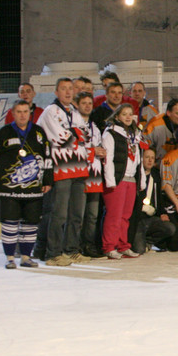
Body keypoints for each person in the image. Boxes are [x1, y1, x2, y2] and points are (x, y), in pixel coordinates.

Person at [0, 99, 53, 269]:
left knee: (30, 224)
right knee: (9, 223)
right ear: (13, 113)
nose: (23, 115)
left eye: (25, 111)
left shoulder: (39, 132)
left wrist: (48, 180)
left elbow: (47, 157)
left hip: (33, 188)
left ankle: (25, 257)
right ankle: (10, 258)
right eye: (19, 112)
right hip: (9, 188)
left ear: (30, 113)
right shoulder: (3, 133)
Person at [36, 77, 90, 266]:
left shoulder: (74, 112)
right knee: (58, 214)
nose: (68, 92)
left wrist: (74, 134)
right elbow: (61, 138)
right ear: (56, 92)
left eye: (70, 88)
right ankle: (53, 253)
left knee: (76, 215)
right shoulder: (50, 111)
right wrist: (75, 134)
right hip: (61, 169)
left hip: (79, 168)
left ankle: (71, 250)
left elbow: (86, 135)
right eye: (63, 89)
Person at [100, 103, 144, 259]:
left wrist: (141, 180)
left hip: (131, 179)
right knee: (114, 215)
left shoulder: (134, 135)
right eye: (124, 114)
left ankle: (122, 245)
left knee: (125, 216)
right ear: (117, 116)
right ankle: (109, 246)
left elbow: (139, 160)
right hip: (117, 180)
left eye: (130, 114)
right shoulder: (110, 133)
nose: (128, 117)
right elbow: (108, 159)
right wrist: (110, 180)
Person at [128, 147, 176, 254]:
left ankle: (148, 242)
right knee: (139, 250)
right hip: (137, 220)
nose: (150, 160)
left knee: (170, 228)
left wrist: (162, 213)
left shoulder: (156, 176)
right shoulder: (135, 175)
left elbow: (159, 197)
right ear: (141, 159)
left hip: (151, 218)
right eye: (147, 157)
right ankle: (139, 241)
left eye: (152, 158)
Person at [76, 91, 106, 259]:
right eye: (84, 103)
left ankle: (88, 245)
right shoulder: (73, 124)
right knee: (78, 214)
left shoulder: (94, 126)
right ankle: (75, 245)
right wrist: (93, 151)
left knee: (93, 215)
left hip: (95, 175)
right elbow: (73, 148)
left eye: (89, 103)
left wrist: (101, 152)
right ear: (77, 105)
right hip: (79, 175)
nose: (87, 106)